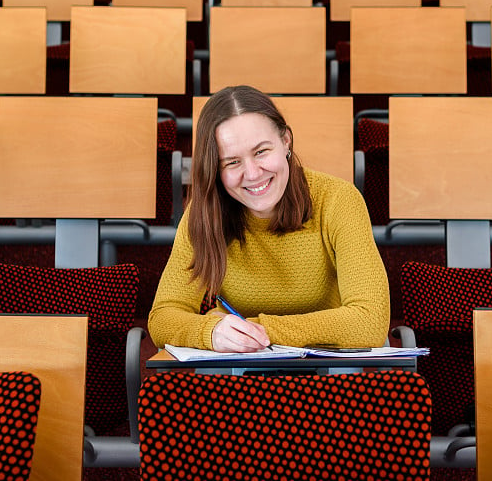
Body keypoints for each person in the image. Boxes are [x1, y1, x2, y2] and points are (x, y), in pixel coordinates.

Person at [148, 85, 390, 352]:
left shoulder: (339, 199)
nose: (252, 174)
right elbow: (163, 317)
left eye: (261, 151)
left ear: (285, 140)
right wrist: (211, 331)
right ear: (215, 169)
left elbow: (370, 320)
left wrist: (256, 330)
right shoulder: (204, 212)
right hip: (236, 375)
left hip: (328, 373)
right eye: (232, 162)